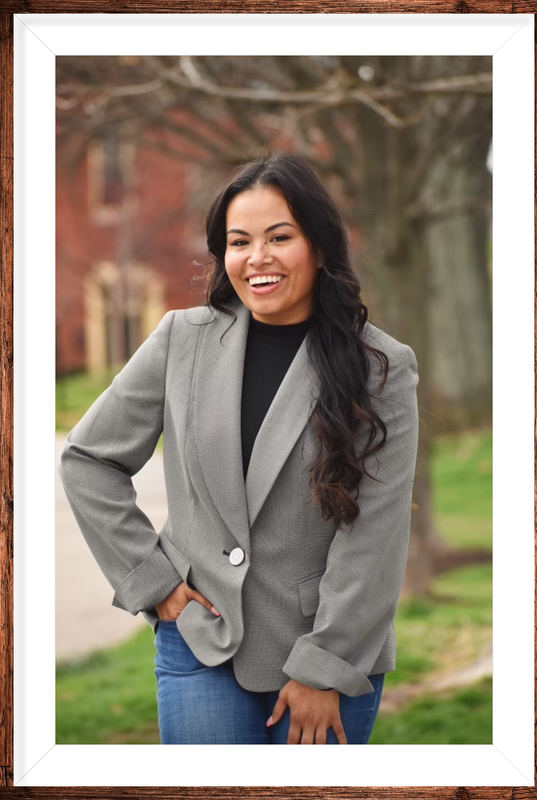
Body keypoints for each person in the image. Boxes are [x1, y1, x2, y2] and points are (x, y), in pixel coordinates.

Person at [59, 152, 419, 745]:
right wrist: (153, 580)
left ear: (320, 246)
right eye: (239, 241)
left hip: (327, 649)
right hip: (199, 639)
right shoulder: (181, 340)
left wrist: (325, 666)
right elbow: (88, 459)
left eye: (280, 237)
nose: (258, 258)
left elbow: (376, 534)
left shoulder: (381, 367)